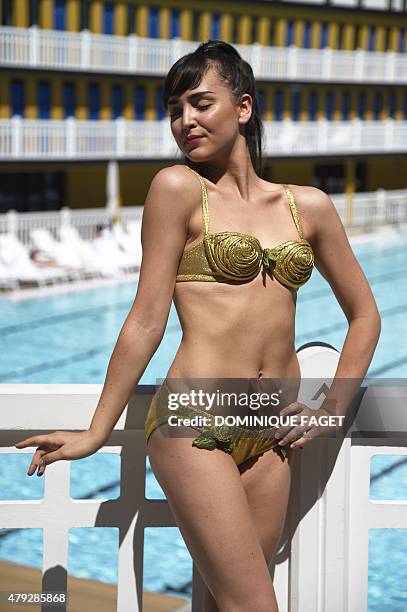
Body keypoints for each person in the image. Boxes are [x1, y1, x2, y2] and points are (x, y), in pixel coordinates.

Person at [15, 41, 381, 611]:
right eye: (175, 110)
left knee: (218, 602)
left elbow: (365, 315)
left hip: (270, 431)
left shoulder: (307, 207)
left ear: (242, 107)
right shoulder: (178, 190)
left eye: (200, 103)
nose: (184, 121)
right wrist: (95, 433)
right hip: (195, 418)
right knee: (255, 604)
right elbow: (144, 320)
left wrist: (332, 410)